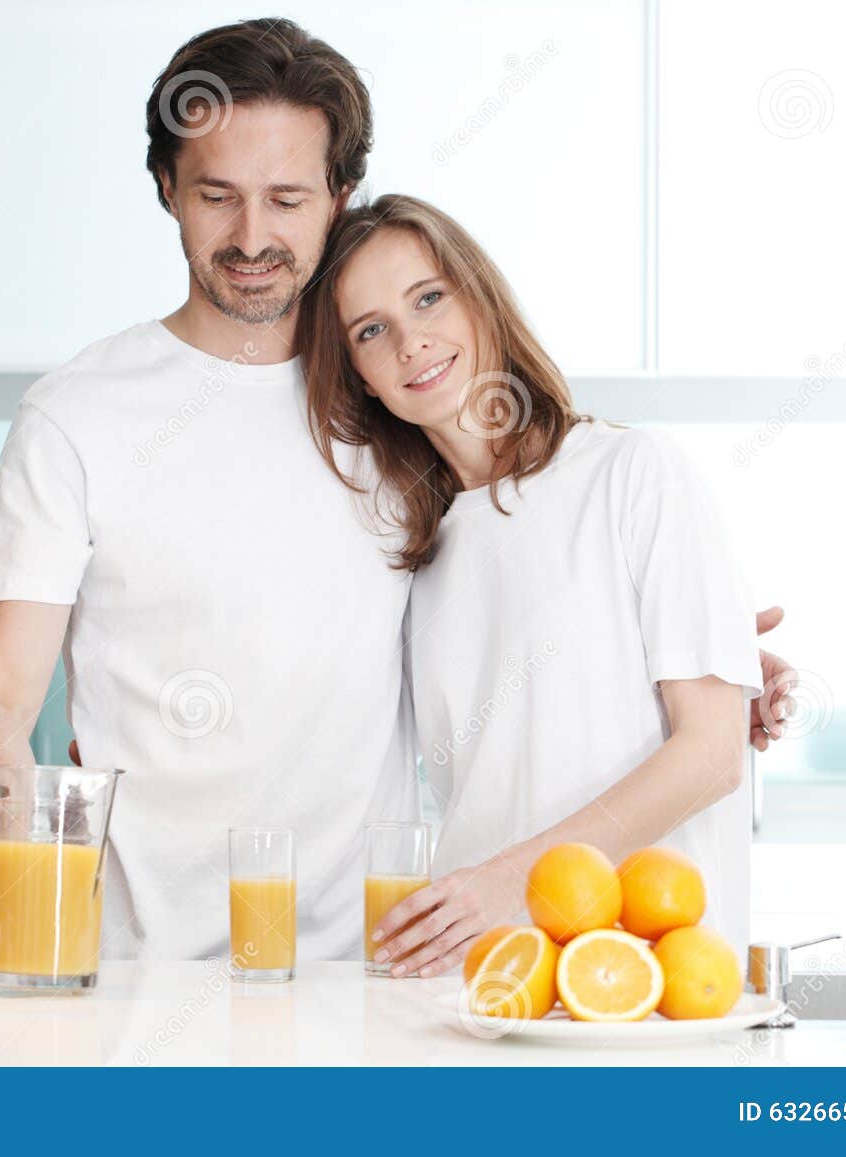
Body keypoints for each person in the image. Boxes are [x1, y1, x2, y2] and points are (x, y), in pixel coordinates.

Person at [0, 19, 794, 966]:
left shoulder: (391, 417)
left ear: (339, 198)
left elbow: (538, 571)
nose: (252, 237)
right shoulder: (75, 417)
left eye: (287, 198)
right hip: (141, 968)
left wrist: (695, 657)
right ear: (167, 188)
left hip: (375, 969)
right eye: (217, 195)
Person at [297, 194, 764, 976]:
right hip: (486, 986)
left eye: (429, 298)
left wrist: (508, 884)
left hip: (642, 981)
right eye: (371, 331)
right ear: (361, 378)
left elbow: (714, 751)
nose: (412, 342)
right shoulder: (413, 553)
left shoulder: (631, 472)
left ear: (479, 297)